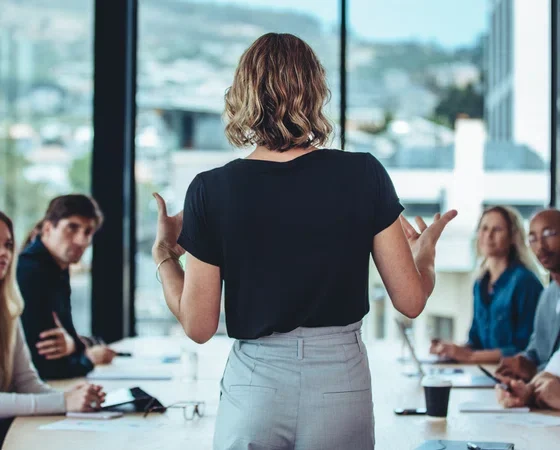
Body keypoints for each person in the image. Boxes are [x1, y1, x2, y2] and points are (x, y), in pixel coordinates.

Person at [151, 33, 456, 449]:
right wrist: (425, 259)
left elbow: (199, 325)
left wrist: (166, 256)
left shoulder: (211, 189)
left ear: (242, 94)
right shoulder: (364, 174)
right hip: (340, 377)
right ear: (314, 92)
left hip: (255, 385)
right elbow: (411, 301)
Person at [0, 211, 105, 444]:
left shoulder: (8, 310)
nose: (3, 253)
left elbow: (27, 382)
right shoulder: (34, 271)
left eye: (7, 244)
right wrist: (63, 401)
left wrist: (72, 397)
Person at [17, 195, 115, 380]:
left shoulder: (57, 268)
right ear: (47, 228)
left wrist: (75, 345)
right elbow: (47, 365)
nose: (81, 241)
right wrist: (88, 358)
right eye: (72, 227)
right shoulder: (31, 271)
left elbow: (67, 337)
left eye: (88, 232)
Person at [430, 206, 543, 363]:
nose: (488, 235)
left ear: (512, 237)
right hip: (483, 372)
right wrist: (451, 350)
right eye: (484, 228)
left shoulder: (525, 282)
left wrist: (470, 357)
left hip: (513, 376)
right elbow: (475, 341)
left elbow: (526, 349)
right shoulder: (480, 283)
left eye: (497, 229)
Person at [496, 209, 560, 382]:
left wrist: (533, 372)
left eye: (549, 234)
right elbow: (535, 351)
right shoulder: (548, 296)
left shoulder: (525, 281)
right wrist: (522, 363)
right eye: (532, 238)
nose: (541, 246)